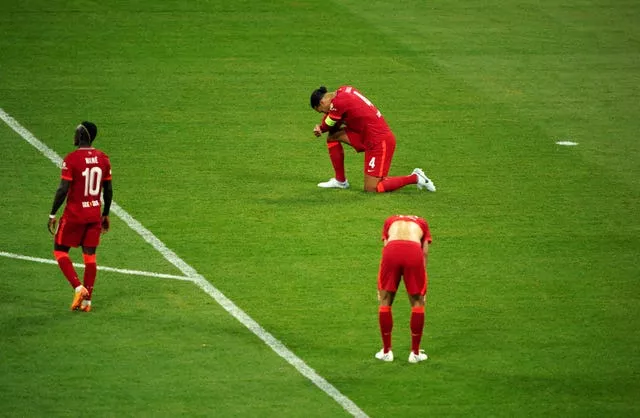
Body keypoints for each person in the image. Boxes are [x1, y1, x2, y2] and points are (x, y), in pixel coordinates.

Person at [310, 85, 436, 193]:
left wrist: (320, 128)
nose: (324, 113)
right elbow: (333, 121)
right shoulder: (344, 90)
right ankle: (340, 181)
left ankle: (415, 177)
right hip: (366, 136)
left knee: (372, 188)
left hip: (379, 142)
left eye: (321, 111)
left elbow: (329, 123)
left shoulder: (339, 103)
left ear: (322, 103)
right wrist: (323, 126)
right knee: (332, 137)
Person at [47, 121, 112, 312]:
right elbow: (108, 189)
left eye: (76, 132)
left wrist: (52, 213)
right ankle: (87, 302)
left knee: (60, 251)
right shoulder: (103, 159)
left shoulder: (72, 159)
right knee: (90, 257)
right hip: (94, 214)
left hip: (74, 215)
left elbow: (62, 189)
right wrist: (105, 213)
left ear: (82, 135)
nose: (74, 136)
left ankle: (78, 287)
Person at [375, 215, 431, 363]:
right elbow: (424, 253)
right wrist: (422, 285)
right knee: (418, 303)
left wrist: (381, 286)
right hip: (413, 251)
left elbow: (386, 248)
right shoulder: (422, 222)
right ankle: (415, 353)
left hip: (392, 251)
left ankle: (386, 352)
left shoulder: (389, 221)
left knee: (385, 301)